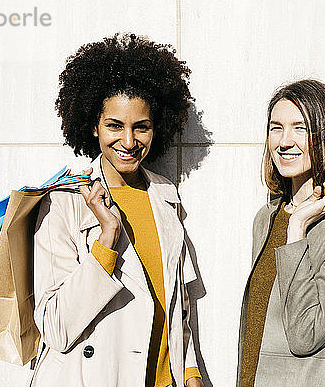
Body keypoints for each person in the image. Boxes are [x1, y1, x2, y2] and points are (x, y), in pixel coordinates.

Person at [30, 34, 203, 387]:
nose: (128, 141)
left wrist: (190, 373)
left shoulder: (165, 196)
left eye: (141, 127)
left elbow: (177, 303)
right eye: (114, 125)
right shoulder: (64, 201)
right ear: (93, 126)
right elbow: (55, 326)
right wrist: (107, 239)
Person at [237, 80, 325, 386]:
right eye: (276, 127)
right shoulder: (266, 218)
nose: (284, 141)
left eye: (300, 128)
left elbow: (306, 334)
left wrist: (297, 230)